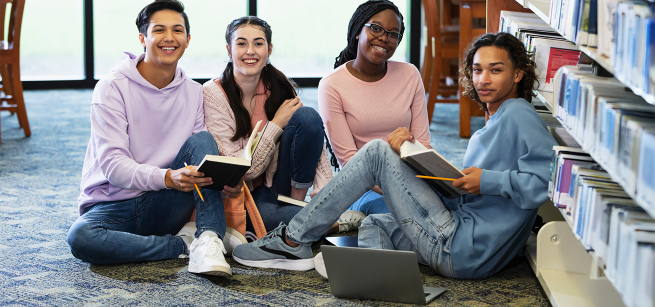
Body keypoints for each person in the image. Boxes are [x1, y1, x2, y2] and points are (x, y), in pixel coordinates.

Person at [231, 32, 558, 279]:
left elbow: (547, 183)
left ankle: (292, 240)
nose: (483, 79)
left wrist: (486, 179)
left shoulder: (518, 113)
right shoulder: (497, 118)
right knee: (376, 223)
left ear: (517, 75)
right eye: (477, 70)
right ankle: (376, 279)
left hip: (459, 245)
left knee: (376, 153)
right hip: (464, 240)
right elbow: (471, 191)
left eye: (495, 70)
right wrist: (415, 155)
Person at [67, 0, 235, 277]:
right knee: (82, 238)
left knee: (204, 141)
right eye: (159, 30)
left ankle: (208, 240)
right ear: (143, 38)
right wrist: (167, 177)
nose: (170, 38)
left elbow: (198, 153)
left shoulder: (193, 92)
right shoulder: (111, 88)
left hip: (166, 201)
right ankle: (181, 245)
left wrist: (223, 180)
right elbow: (113, 166)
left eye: (177, 30)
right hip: (114, 205)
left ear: (187, 39)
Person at [202, 16, 334, 238]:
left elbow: (314, 142)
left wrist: (327, 199)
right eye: (241, 43)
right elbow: (242, 171)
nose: (250, 51)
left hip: (279, 187)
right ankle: (304, 220)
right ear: (229, 50)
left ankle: (297, 207)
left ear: (269, 49)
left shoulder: (279, 86)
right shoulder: (214, 94)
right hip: (242, 195)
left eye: (258, 43)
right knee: (296, 220)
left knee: (308, 116)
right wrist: (276, 124)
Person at [319, 0, 432, 227]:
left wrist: (421, 185)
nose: (384, 38)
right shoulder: (332, 85)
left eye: (393, 34)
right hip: (362, 187)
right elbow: (349, 162)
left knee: (452, 203)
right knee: (408, 217)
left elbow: (423, 145)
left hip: (409, 177)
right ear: (358, 30)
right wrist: (401, 190)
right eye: (376, 28)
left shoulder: (410, 74)